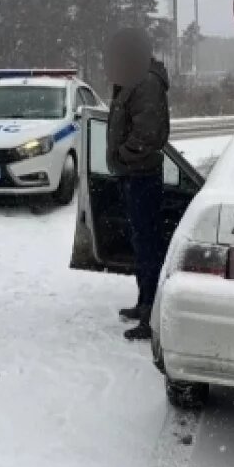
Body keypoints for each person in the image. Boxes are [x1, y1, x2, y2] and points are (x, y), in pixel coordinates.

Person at [104, 27, 171, 341]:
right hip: (133, 174)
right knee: (141, 244)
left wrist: (122, 155)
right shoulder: (132, 78)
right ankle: (143, 302)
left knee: (149, 247)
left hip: (142, 175)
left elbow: (147, 133)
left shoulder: (145, 82)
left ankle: (151, 313)